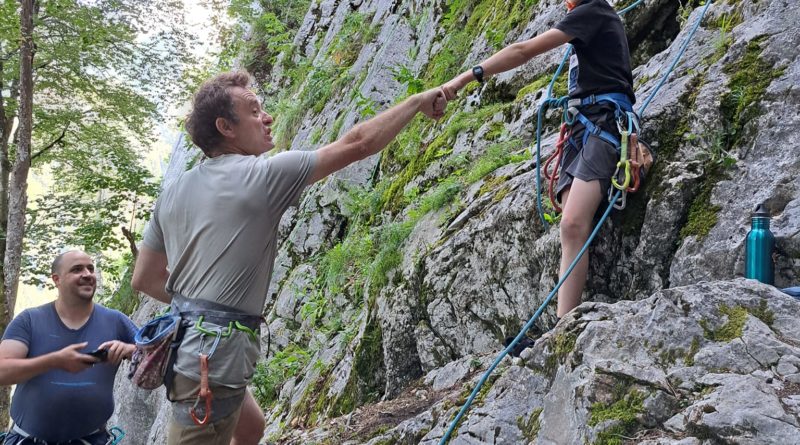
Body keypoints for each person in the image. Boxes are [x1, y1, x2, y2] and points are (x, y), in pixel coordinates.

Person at [131, 70, 446, 444]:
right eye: (254, 110)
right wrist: (415, 101)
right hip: (213, 361)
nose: (267, 118)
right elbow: (358, 144)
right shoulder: (261, 176)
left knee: (251, 428)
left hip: (189, 345)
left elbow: (144, 278)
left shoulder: (174, 191)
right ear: (225, 127)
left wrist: (198, 307)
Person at [442, 0, 636, 330]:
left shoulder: (594, 11)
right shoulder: (589, 16)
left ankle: (563, 326)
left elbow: (523, 51)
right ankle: (563, 321)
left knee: (573, 224)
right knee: (568, 218)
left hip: (603, 125)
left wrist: (467, 77)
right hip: (585, 126)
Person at [0, 250, 137, 445]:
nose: (88, 274)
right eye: (77, 269)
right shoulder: (29, 320)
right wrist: (54, 361)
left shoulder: (116, 321)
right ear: (57, 279)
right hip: (28, 440)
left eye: (91, 268)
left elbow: (156, 359)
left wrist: (130, 350)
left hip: (92, 439)